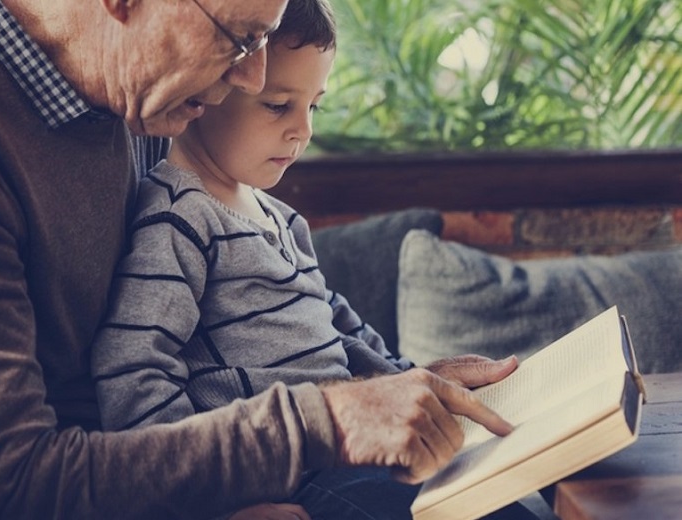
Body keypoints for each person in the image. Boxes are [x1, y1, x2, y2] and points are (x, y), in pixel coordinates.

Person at [0, 0, 515, 518]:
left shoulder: (137, 82)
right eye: (241, 37)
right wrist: (322, 421)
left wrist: (400, 385)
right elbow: (13, 486)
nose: (252, 78)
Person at [91, 1, 518, 518]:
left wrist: (421, 385)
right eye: (278, 106)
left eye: (313, 106)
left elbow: (341, 330)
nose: (303, 130)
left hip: (351, 450)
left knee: (500, 488)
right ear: (210, 89)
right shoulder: (179, 218)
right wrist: (211, 507)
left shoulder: (280, 218)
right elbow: (133, 369)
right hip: (286, 481)